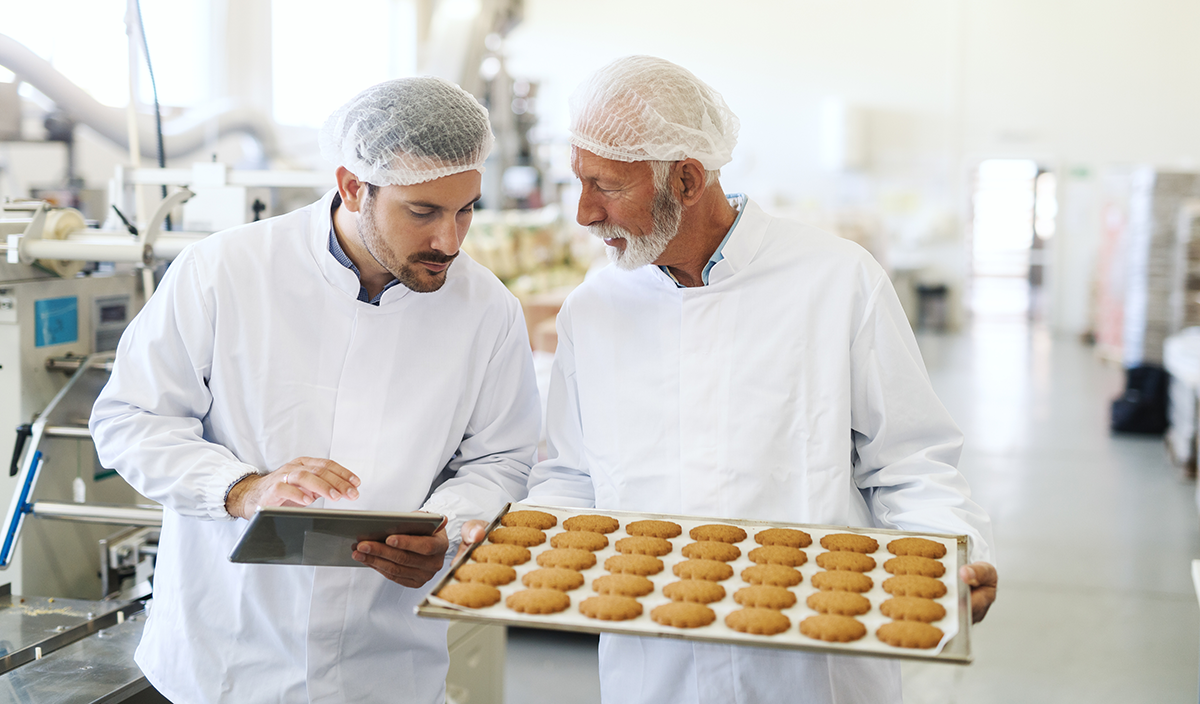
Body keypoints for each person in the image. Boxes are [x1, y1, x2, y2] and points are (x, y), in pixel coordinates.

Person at [525, 55, 998, 703]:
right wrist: (523, 542)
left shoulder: (837, 281)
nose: (583, 212)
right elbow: (572, 476)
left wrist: (952, 554)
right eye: (577, 181)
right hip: (653, 668)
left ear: (687, 179)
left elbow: (910, 462)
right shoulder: (595, 308)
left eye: (605, 186)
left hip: (813, 667)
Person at [90, 77, 540, 704]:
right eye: (423, 212)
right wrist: (243, 489)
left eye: (466, 209)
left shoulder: (486, 307)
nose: (450, 240)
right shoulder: (224, 271)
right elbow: (131, 418)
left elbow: (501, 456)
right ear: (354, 187)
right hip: (225, 656)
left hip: (386, 666)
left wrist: (453, 528)